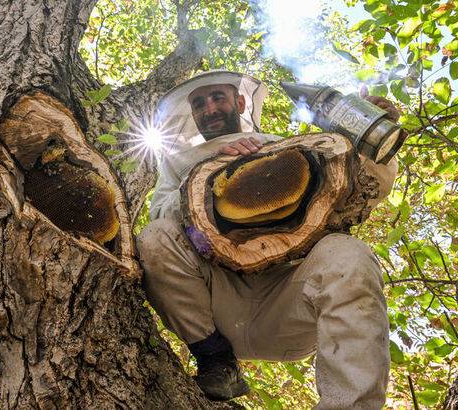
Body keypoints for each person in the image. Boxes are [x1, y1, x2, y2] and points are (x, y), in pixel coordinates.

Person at [136, 70, 400, 407]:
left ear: (241, 102)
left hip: (289, 301)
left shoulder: (280, 144)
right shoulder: (176, 163)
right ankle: (216, 361)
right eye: (199, 103)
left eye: (218, 96)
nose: (210, 107)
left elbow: (361, 192)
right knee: (155, 237)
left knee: (349, 254)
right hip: (214, 305)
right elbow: (159, 218)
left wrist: (374, 146)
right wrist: (212, 177)